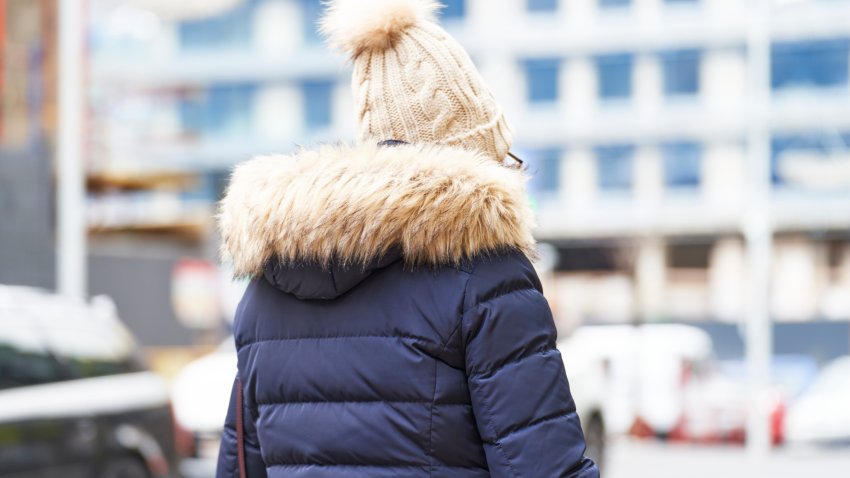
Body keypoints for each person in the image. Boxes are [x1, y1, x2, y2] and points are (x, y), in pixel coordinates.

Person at [215, 0, 599, 476]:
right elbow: (543, 466)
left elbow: (240, 467)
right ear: (468, 158)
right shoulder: (485, 276)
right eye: (501, 156)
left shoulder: (266, 286)